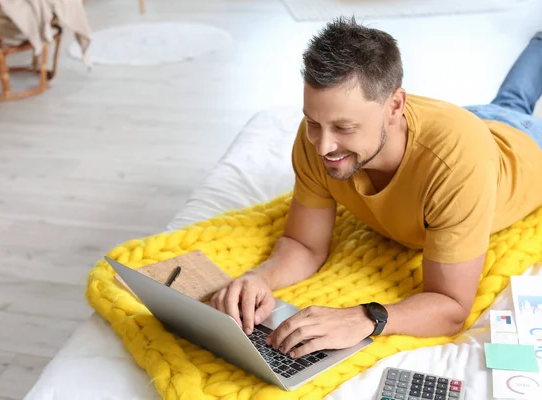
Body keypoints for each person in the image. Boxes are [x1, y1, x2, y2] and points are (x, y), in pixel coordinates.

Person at [209, 16, 542, 359]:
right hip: (469, 120)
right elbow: (304, 245)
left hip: (526, 144)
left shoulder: (457, 163)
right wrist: (260, 278)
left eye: (344, 127)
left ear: (395, 106)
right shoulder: (315, 140)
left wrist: (365, 317)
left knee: (513, 108)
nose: (323, 147)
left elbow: (451, 307)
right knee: (511, 99)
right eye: (314, 123)